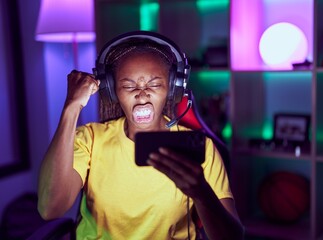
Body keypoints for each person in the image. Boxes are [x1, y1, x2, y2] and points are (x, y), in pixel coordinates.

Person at [37, 31, 244, 240]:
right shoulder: (90, 139)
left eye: (154, 84)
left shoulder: (199, 147)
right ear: (112, 90)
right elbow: (50, 208)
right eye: (128, 86)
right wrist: (71, 107)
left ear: (173, 88)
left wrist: (201, 193)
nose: (142, 94)